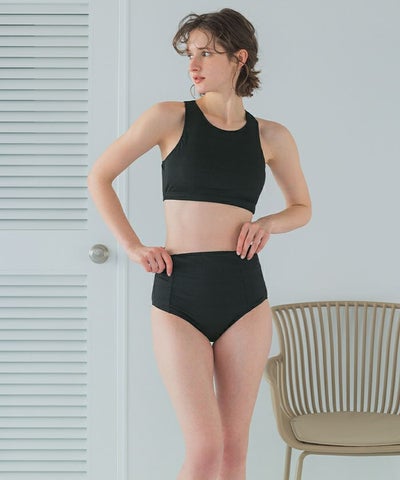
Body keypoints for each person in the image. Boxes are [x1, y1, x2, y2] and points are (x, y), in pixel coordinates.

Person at [88, 8, 311, 480]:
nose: (194, 64)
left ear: (239, 58)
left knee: (234, 453)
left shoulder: (271, 136)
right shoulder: (169, 117)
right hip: (179, 292)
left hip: (244, 295)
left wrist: (269, 223)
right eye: (190, 54)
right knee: (206, 448)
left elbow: (301, 207)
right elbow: (100, 177)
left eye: (207, 53)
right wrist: (132, 246)